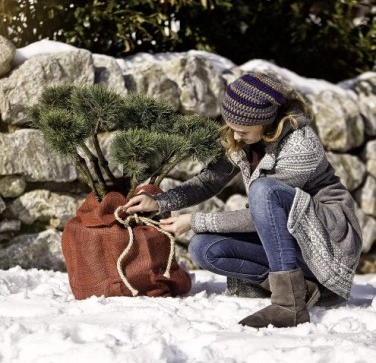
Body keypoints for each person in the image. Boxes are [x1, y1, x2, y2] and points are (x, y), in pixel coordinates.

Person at [124, 72, 362, 329]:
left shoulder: (300, 145)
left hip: (325, 237)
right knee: (203, 248)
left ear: (266, 122)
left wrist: (194, 220)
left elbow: (263, 211)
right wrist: (160, 202)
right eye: (232, 128)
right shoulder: (247, 140)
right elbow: (209, 181)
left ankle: (289, 304)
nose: (235, 137)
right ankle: (302, 288)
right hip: (289, 240)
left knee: (262, 190)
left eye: (242, 130)